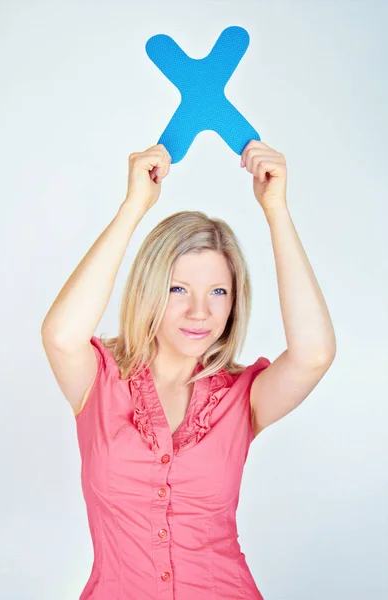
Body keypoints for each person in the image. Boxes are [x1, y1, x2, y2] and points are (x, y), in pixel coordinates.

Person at [41, 142, 336, 599]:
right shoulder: (98, 381)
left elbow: (314, 354)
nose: (200, 311)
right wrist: (133, 206)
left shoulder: (243, 397)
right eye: (179, 288)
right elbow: (60, 334)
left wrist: (276, 211)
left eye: (218, 292)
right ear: (150, 288)